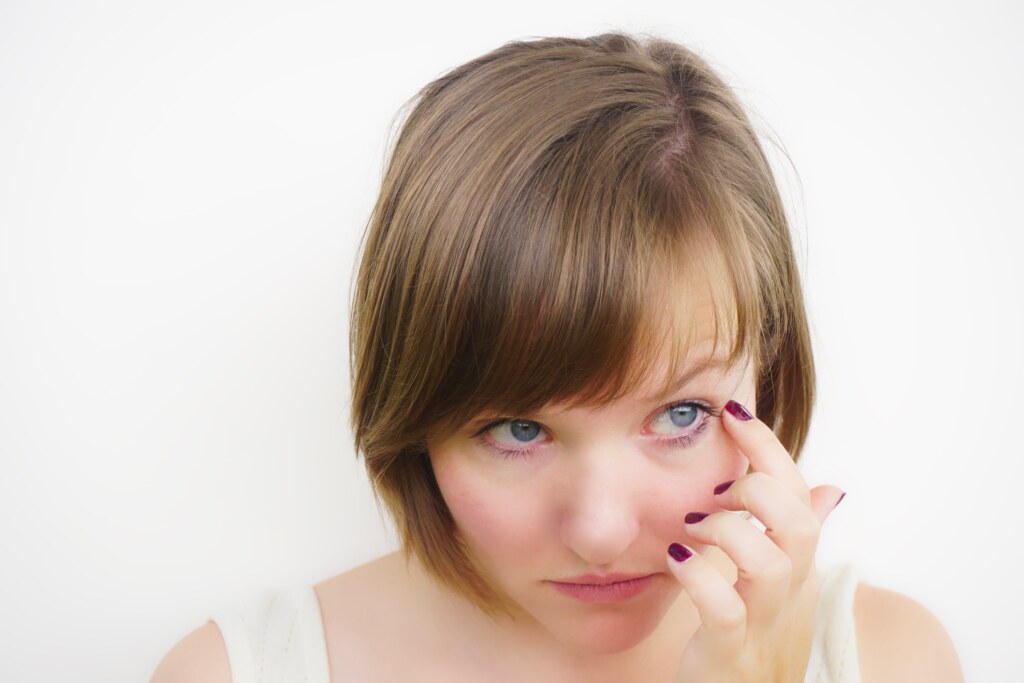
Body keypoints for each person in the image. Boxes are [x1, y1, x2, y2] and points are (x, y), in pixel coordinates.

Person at [151, 31, 963, 682]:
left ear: (769, 371)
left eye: (681, 414)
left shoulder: (890, 659)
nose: (602, 532)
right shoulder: (238, 670)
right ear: (413, 413)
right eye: (516, 428)